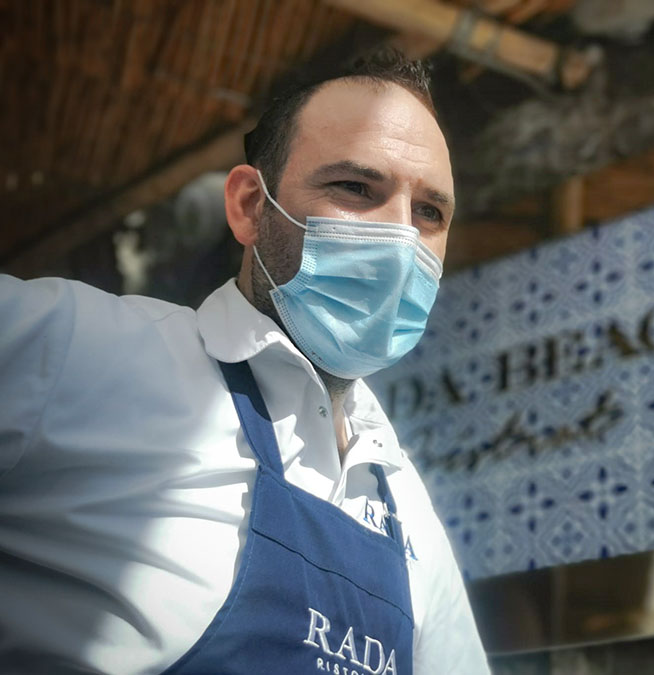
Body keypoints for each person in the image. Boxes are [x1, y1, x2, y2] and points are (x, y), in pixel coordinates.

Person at [0, 51, 491, 674]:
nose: (401, 238)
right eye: (355, 188)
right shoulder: (80, 350)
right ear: (250, 206)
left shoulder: (408, 505)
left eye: (429, 213)